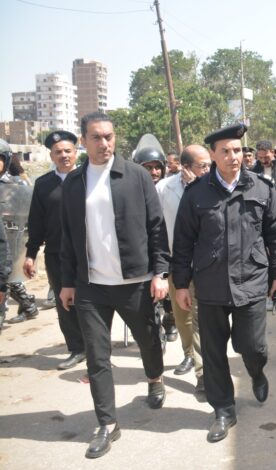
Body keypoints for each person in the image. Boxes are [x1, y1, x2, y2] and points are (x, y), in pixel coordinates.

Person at [60, 112, 169, 459]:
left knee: (148, 339)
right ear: (83, 141)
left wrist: (160, 273)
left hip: (134, 281)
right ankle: (107, 423)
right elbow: (67, 236)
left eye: (109, 136)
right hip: (91, 284)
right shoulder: (74, 182)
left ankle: (155, 378)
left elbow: (156, 227)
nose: (104, 143)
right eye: (96, 137)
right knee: (96, 355)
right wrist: (67, 282)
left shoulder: (136, 176)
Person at [172, 123, 276, 443]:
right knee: (213, 353)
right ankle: (223, 409)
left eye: (237, 150)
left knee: (252, 346)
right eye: (225, 151)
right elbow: (182, 241)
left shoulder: (262, 189)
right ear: (213, 155)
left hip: (251, 280)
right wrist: (181, 284)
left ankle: (256, 371)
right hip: (210, 284)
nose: (233, 156)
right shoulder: (196, 193)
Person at [21, 130, 85, 370]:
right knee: (65, 302)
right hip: (57, 254)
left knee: (92, 300)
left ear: (76, 152)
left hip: (87, 253)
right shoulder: (43, 184)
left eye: (68, 151)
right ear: (51, 155)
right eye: (58, 152)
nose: (64, 155)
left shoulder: (88, 178)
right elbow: (36, 222)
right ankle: (77, 348)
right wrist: (30, 254)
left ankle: (96, 346)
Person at [156, 144, 212, 393]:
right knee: (183, 317)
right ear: (185, 168)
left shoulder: (212, 187)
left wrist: (195, 188)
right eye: (203, 166)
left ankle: (203, 373)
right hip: (176, 263)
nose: (208, 169)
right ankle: (188, 353)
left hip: (206, 264)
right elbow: (156, 228)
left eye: (209, 164)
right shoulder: (163, 188)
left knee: (200, 319)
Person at [133, 135, 177, 342]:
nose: (154, 172)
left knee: (169, 288)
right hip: (143, 252)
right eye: (148, 167)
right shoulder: (131, 191)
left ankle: (170, 319)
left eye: (157, 167)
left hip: (168, 251)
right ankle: (153, 328)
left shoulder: (171, 188)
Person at [0, 139, 39, 324]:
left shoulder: (13, 184)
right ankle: (28, 304)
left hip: (10, 231)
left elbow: (24, 207)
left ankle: (26, 305)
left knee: (8, 270)